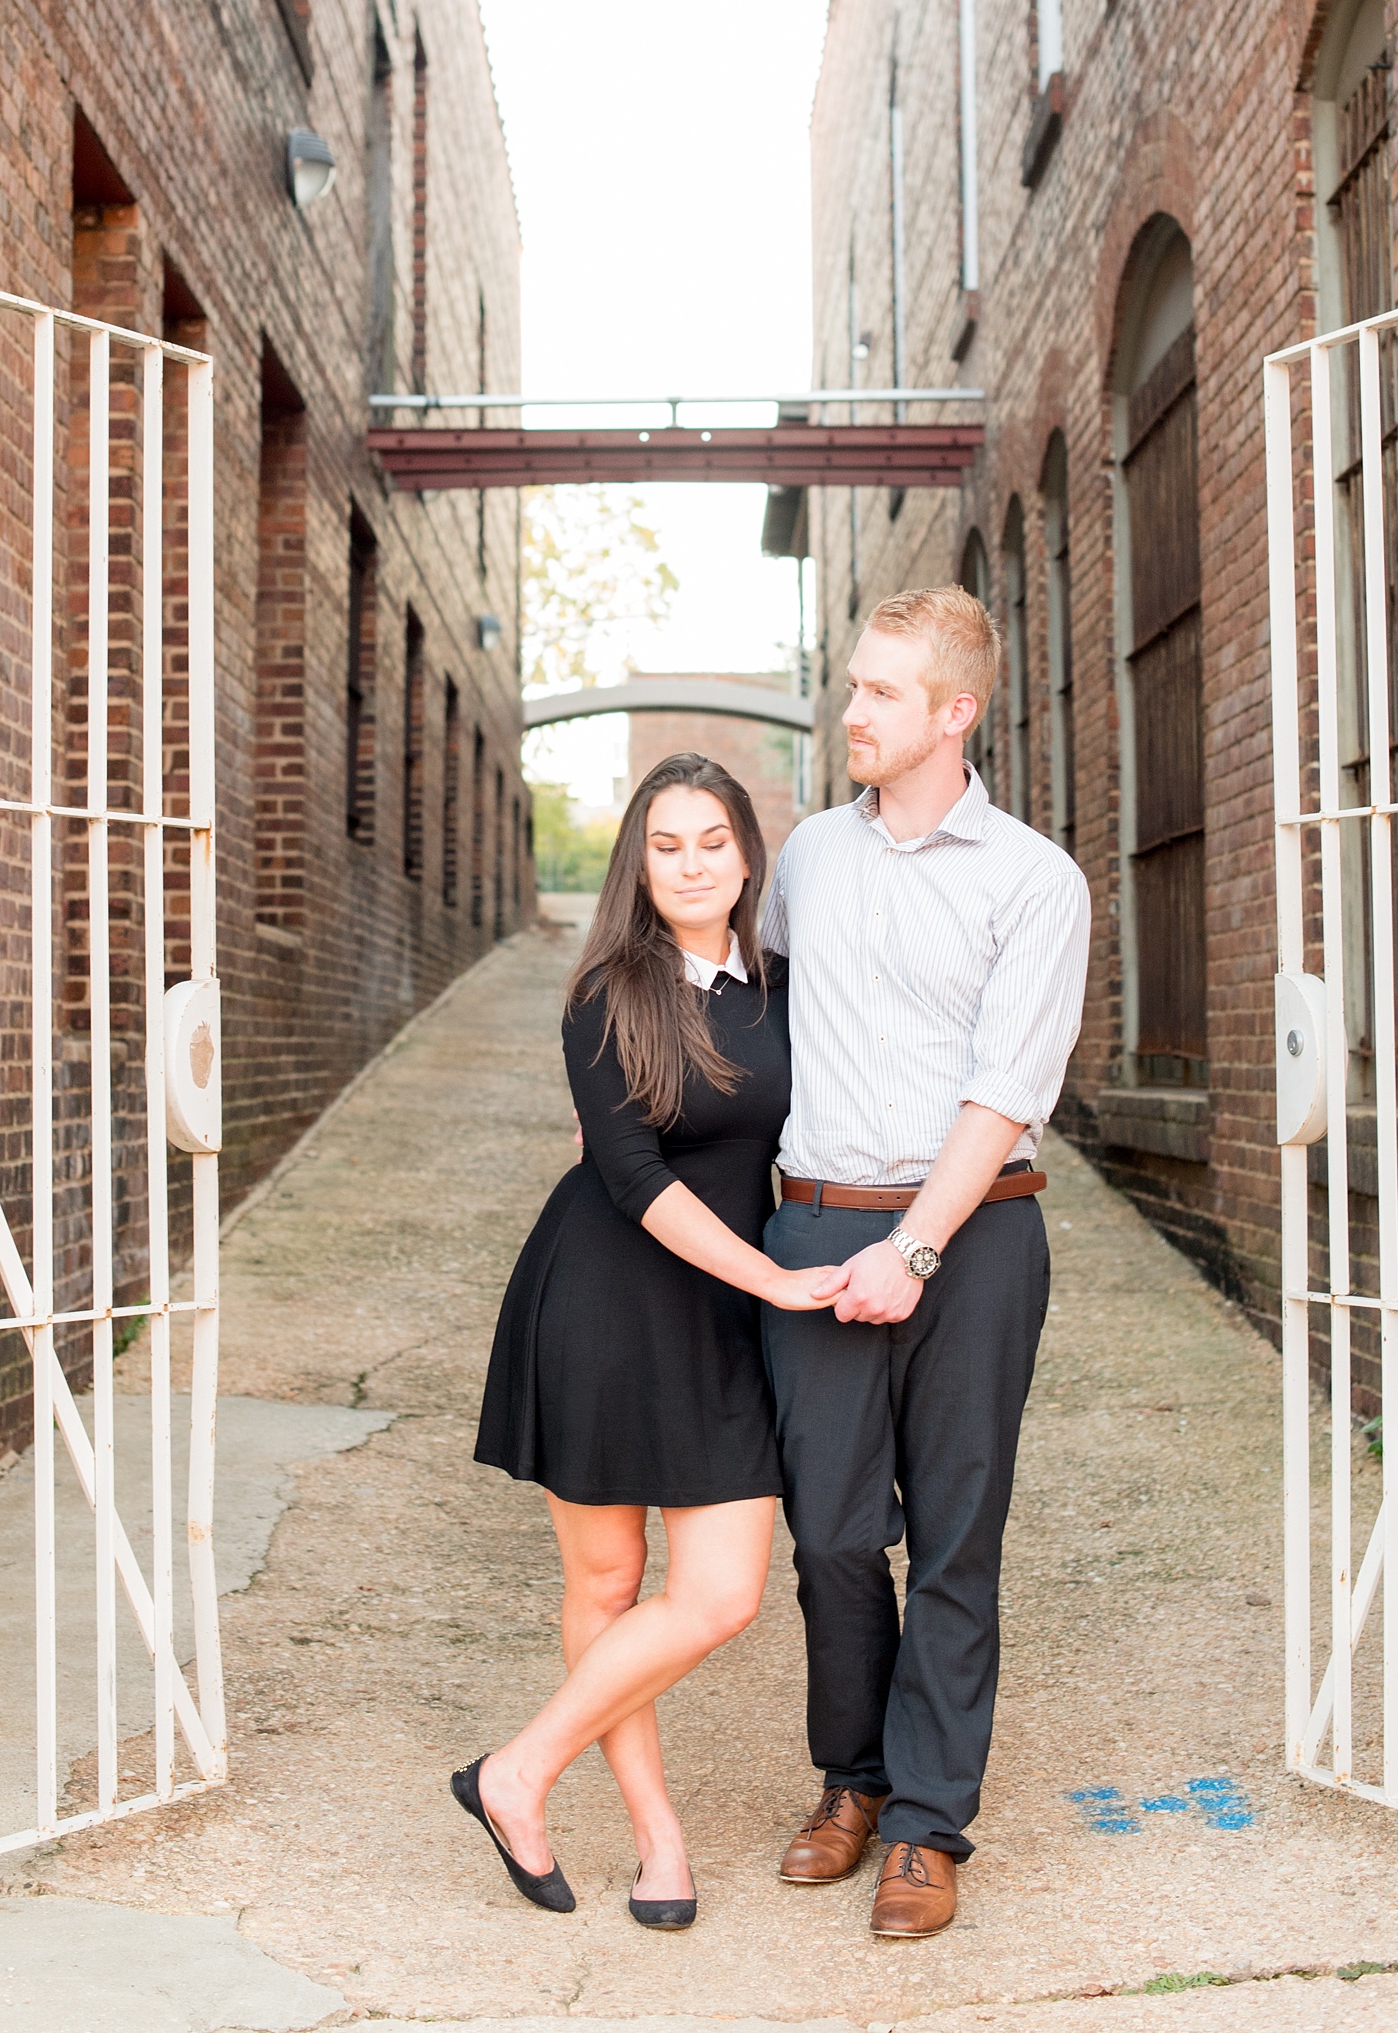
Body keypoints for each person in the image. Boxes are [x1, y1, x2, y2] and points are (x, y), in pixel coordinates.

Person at [462, 752, 843, 1927]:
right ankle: (655, 1836)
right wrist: (774, 1278)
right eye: (664, 844)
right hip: (607, 1302)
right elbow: (627, 1174)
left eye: (711, 841)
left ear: (745, 855)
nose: (689, 863)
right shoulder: (606, 990)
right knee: (611, 1580)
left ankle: (513, 1771)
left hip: (723, 1310)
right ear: (639, 859)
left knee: (720, 1593)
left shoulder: (782, 984)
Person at [760, 585, 1090, 1940]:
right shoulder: (805, 860)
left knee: (956, 1536)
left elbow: (1006, 1086)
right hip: (816, 1225)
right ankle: (853, 1773)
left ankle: (923, 1819)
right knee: (832, 1532)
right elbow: (754, 1015)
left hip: (976, 1233)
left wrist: (917, 1242)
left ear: (955, 711)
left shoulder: (1033, 879)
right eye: (851, 686)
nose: (851, 711)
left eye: (881, 692)